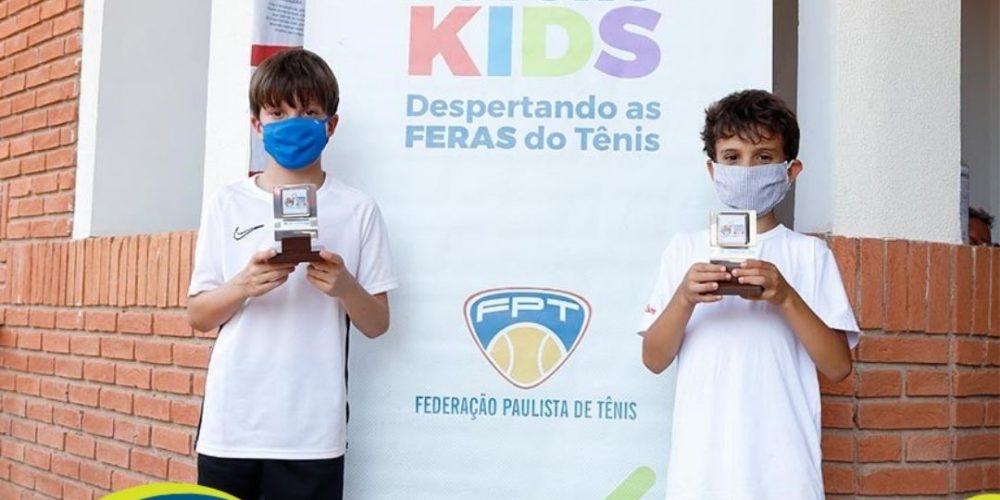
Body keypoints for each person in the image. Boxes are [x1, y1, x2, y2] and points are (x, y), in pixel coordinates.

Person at [186, 48, 399, 500]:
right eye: (278, 113)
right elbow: (199, 316)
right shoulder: (227, 203)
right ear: (257, 124)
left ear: (331, 125)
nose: (293, 123)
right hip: (232, 424)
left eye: (309, 112)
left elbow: (378, 323)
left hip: (313, 430)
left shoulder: (358, 208)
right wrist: (243, 285)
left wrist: (344, 287)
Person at [639, 90, 859, 499]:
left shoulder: (809, 255)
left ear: (790, 170)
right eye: (732, 157)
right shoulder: (685, 249)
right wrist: (684, 298)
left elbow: (837, 367)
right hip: (700, 472)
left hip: (785, 472)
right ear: (713, 169)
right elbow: (653, 359)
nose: (747, 168)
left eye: (763, 156)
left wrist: (785, 297)